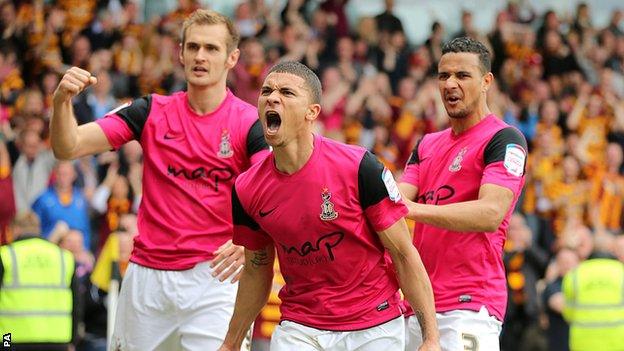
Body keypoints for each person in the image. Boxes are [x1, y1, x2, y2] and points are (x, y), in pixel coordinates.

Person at [49, 9, 269, 350]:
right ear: (179, 52)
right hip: (147, 278)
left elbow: (275, 187)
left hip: (216, 278)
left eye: (211, 48)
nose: (200, 56)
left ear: (232, 58)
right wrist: (61, 102)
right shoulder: (149, 110)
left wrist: (249, 237)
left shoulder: (249, 124)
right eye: (193, 47)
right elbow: (69, 146)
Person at [218, 61, 440, 351]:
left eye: (286, 92)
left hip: (374, 325)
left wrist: (431, 338)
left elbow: (403, 254)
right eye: (267, 91)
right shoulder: (247, 188)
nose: (272, 97)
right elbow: (256, 269)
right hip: (301, 326)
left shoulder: (360, 167)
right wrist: (231, 342)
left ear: (312, 112)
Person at [398, 37, 528, 351]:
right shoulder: (427, 144)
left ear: (486, 82)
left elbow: (490, 214)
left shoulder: (504, 138)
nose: (450, 84)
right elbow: (394, 202)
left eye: (462, 76)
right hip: (417, 305)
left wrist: (411, 209)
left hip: (469, 303)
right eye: (443, 76)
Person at [0, 211, 78, 351]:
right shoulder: (64, 257)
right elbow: (77, 302)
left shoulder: (6, 254)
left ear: (16, 229)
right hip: (57, 339)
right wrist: (73, 340)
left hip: (10, 338)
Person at [562, 233, 624, 351]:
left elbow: (568, 314)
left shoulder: (574, 274)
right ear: (612, 249)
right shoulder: (621, 272)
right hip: (618, 342)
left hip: (583, 343)